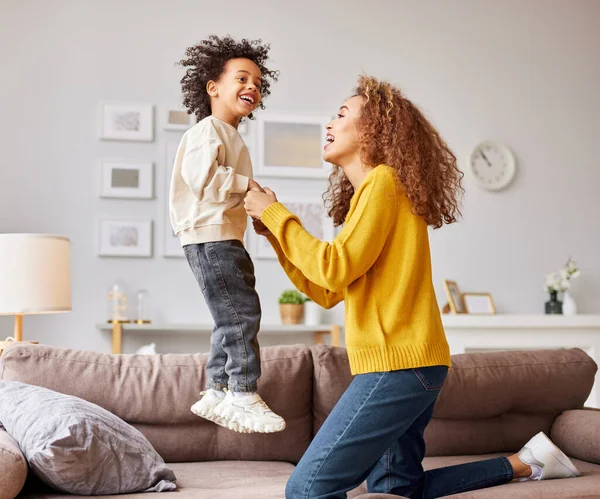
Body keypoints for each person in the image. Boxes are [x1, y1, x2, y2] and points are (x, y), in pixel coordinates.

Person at [244, 75, 580, 497]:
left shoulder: (384, 182)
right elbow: (329, 289)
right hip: (411, 367)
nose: (329, 123)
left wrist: (276, 213)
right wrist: (276, 235)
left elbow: (332, 268)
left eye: (342, 114)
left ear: (373, 130)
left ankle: (524, 464)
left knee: (308, 488)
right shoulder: (372, 193)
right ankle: (524, 464)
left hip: (398, 369)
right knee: (397, 487)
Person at [170, 35, 284, 434]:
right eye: (241, 78)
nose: (251, 86)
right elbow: (201, 178)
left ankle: (217, 391)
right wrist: (248, 187)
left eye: (257, 82)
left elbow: (217, 186)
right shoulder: (209, 130)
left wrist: (246, 202)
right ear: (213, 87)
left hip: (218, 234)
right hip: (212, 237)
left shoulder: (227, 134)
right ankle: (243, 393)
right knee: (243, 313)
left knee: (228, 316)